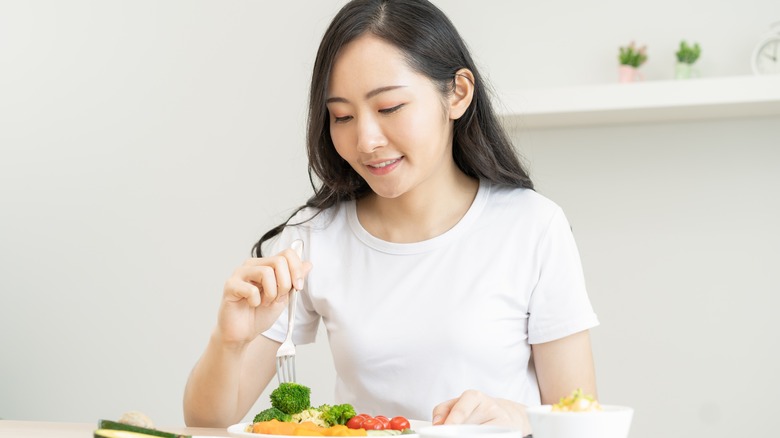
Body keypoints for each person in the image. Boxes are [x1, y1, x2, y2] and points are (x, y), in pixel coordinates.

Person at [183, 0, 599, 434]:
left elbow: (584, 424)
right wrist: (230, 341)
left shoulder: (532, 226)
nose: (366, 140)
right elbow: (206, 423)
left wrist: (518, 418)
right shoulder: (312, 239)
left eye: (389, 108)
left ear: (457, 93)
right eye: (342, 116)